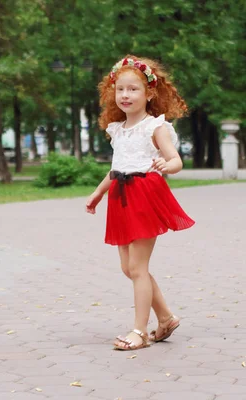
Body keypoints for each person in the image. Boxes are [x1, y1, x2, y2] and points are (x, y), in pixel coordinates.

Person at [86, 55, 195, 351]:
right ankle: (167, 317)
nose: (126, 95)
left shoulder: (155, 127)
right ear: (113, 93)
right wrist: (99, 192)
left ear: (149, 93)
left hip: (145, 194)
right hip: (120, 196)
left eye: (133, 89)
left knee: (138, 267)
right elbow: (116, 166)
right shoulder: (117, 129)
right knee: (129, 268)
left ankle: (140, 331)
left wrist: (166, 165)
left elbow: (176, 160)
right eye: (120, 89)